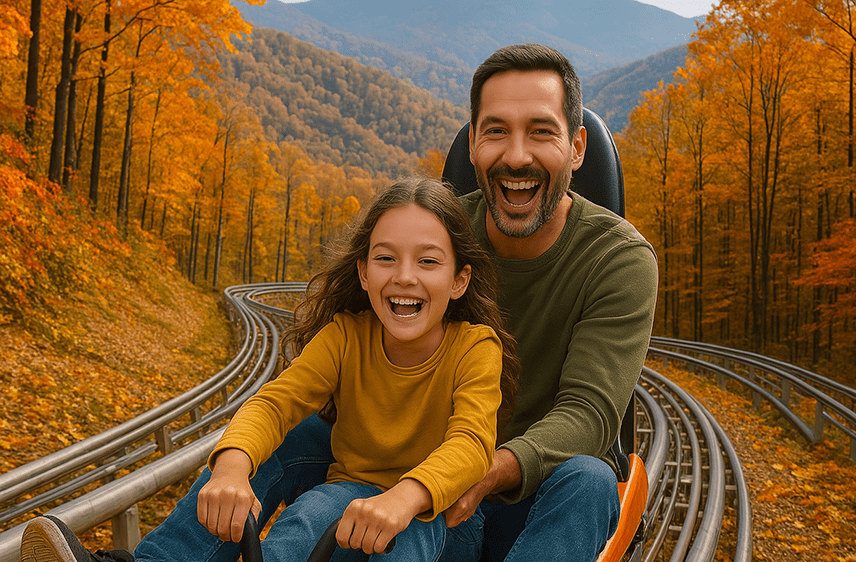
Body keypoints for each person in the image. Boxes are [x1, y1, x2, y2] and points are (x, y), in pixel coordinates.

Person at [20, 43, 657, 562]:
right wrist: (235, 461)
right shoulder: (435, 235)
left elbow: (591, 414)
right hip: (400, 474)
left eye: (539, 133)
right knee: (295, 430)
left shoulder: (618, 260)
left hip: (520, 492)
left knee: (592, 478)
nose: (515, 155)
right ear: (473, 149)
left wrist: (482, 471)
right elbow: (333, 352)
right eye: (496, 132)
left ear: (576, 148)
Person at [20, 178, 520, 562]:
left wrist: (404, 499)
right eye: (386, 258)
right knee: (303, 521)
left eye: (428, 262)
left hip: (437, 512)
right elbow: (275, 403)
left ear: (459, 279)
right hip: (352, 491)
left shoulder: (475, 347)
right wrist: (232, 469)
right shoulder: (348, 335)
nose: (404, 276)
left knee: (394, 537)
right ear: (364, 274)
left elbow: (471, 444)